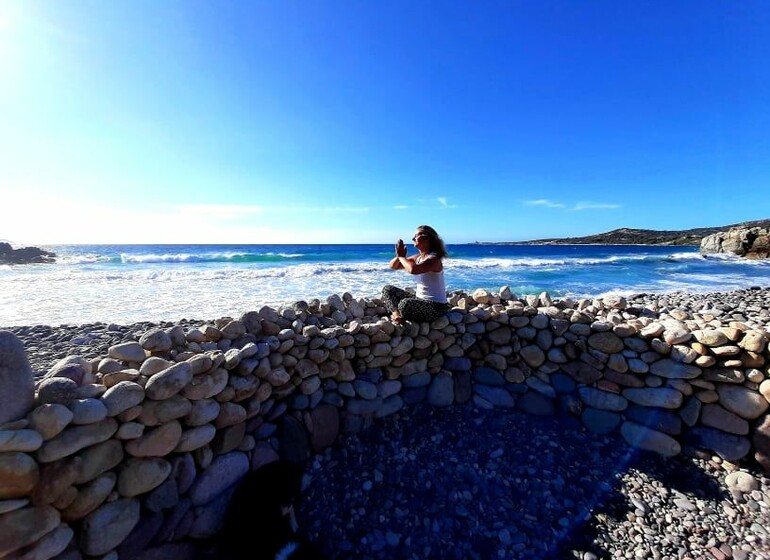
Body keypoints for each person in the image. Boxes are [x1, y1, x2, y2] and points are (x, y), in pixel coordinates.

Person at [382, 224, 449, 325]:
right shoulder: (418, 257)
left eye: (417, 235)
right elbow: (393, 266)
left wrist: (402, 256)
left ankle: (400, 315)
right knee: (388, 289)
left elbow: (413, 269)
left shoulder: (434, 259)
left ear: (428, 238)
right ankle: (396, 314)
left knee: (405, 304)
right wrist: (399, 256)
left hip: (437, 307)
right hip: (420, 300)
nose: (413, 238)